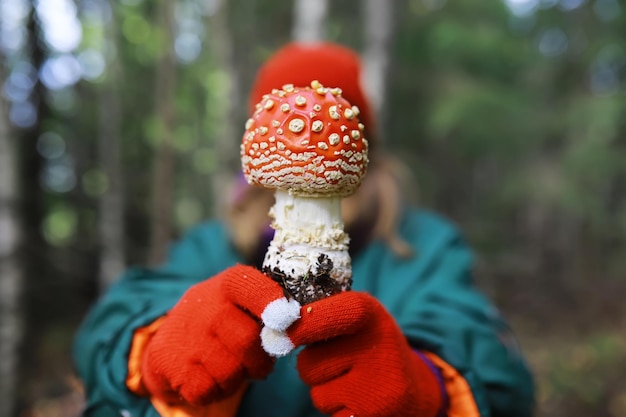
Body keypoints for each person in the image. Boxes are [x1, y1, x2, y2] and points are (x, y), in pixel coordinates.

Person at [73, 42, 535, 417]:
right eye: (288, 132)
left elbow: (501, 369)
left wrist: (431, 384)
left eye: (330, 129)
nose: (307, 145)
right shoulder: (208, 248)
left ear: (365, 151)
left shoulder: (427, 246)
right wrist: (153, 346)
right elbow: (105, 327)